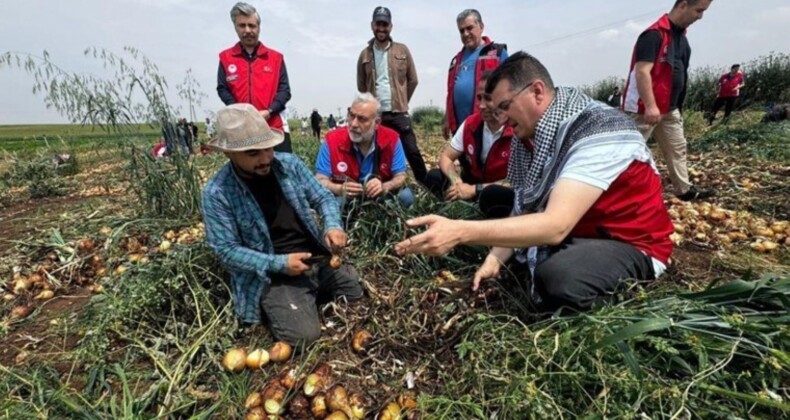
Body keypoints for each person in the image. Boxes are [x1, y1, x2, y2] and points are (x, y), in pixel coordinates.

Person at [396, 52, 674, 313]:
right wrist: (494, 259)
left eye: (506, 106)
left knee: (559, 278)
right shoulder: (528, 136)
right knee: (503, 211)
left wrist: (459, 231)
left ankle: (624, 287)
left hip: (626, 240)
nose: (502, 118)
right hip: (579, 229)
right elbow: (525, 207)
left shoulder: (597, 128)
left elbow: (555, 225)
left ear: (537, 92)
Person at [202, 103, 363, 345]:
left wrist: (332, 226)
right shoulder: (217, 193)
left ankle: (309, 293)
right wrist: (280, 263)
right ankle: (292, 301)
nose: (265, 158)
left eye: (268, 148)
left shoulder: (289, 164)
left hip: (315, 258)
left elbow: (322, 196)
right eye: (253, 153)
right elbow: (226, 251)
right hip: (273, 275)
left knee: (356, 292)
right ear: (228, 153)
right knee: (304, 336)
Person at [622, 0, 714, 201]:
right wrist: (651, 105)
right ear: (683, 5)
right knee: (628, 152)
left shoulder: (681, 38)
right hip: (643, 109)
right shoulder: (653, 35)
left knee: (677, 147)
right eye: (699, 11)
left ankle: (684, 190)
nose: (700, 17)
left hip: (669, 109)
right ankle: (618, 193)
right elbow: (642, 72)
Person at [424, 70, 514, 219]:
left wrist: (475, 190)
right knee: (435, 177)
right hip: (470, 183)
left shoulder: (516, 129)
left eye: (488, 98)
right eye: (479, 98)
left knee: (494, 196)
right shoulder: (471, 124)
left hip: (495, 189)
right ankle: (449, 212)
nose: (482, 105)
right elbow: (446, 157)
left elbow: (518, 181)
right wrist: (456, 180)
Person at [357, 6, 427, 185]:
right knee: (378, 152)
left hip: (399, 112)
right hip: (377, 115)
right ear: (372, 25)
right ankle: (378, 188)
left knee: (411, 150)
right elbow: (362, 86)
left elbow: (413, 80)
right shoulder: (365, 54)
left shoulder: (402, 50)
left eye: (385, 24)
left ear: (391, 26)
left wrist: (402, 100)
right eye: (378, 24)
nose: (381, 28)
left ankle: (427, 187)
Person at [315, 93, 414, 209]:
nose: (353, 124)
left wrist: (384, 186)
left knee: (406, 197)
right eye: (351, 116)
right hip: (346, 198)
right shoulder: (332, 140)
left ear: (376, 123)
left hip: (380, 197)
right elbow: (320, 179)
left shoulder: (392, 139)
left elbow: (401, 176)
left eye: (362, 119)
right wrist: (340, 189)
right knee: (334, 204)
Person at [217, 2, 293, 153]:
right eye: (242, 25)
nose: (247, 30)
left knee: (283, 170)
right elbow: (222, 88)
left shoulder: (275, 58)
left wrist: (269, 111)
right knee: (247, 173)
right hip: (242, 130)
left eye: (252, 26)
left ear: (259, 27)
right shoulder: (226, 58)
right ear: (235, 27)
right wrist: (240, 111)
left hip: (273, 127)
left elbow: (285, 91)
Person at [443, 9, 508, 140]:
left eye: (469, 28)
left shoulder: (497, 53)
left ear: (481, 26)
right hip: (460, 127)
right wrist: (447, 119)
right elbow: (450, 93)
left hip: (489, 124)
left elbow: (511, 87)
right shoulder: (456, 60)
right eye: (461, 31)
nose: (466, 34)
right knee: (465, 159)